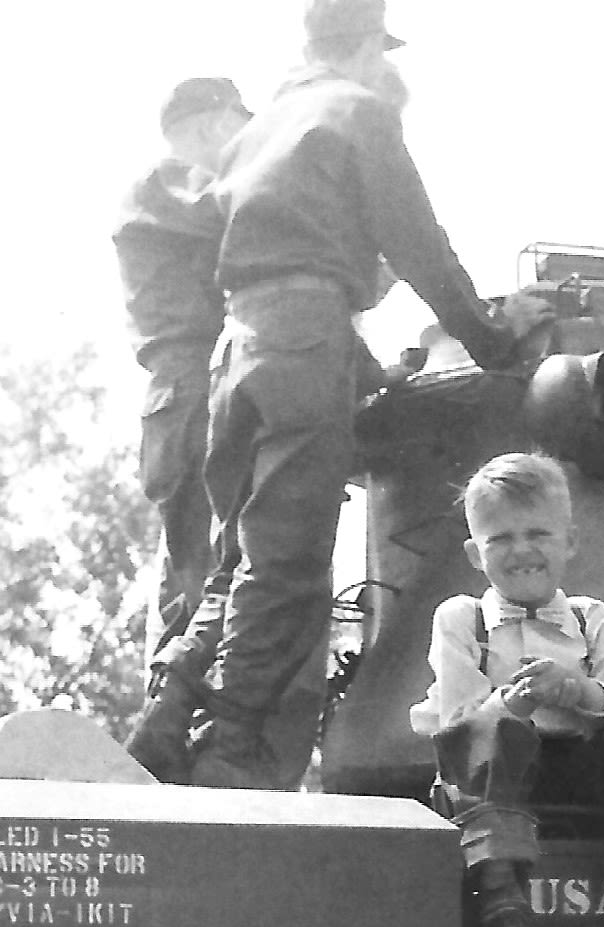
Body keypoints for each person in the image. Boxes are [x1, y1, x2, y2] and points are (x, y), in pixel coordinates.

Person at [137, 0, 553, 792]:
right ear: (366, 46)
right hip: (304, 340)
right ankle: (228, 751)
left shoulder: (261, 128)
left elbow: (238, 256)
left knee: (236, 560)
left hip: (234, 349)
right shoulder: (357, 111)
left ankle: (168, 711)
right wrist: (495, 341)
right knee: (288, 567)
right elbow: (422, 249)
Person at [410, 452, 604, 927]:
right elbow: (458, 719)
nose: (521, 550)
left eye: (538, 534)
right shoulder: (461, 618)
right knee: (494, 730)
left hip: (587, 775)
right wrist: (513, 702)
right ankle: (504, 915)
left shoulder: (594, 619)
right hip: (493, 785)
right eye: (500, 539)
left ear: (569, 542)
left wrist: (577, 690)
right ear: (477, 554)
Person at [113, 76, 251, 678]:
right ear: (206, 125)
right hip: (195, 385)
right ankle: (165, 746)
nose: (252, 137)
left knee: (210, 576)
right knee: (200, 583)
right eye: (241, 122)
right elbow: (240, 213)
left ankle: (177, 737)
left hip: (201, 386)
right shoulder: (168, 183)